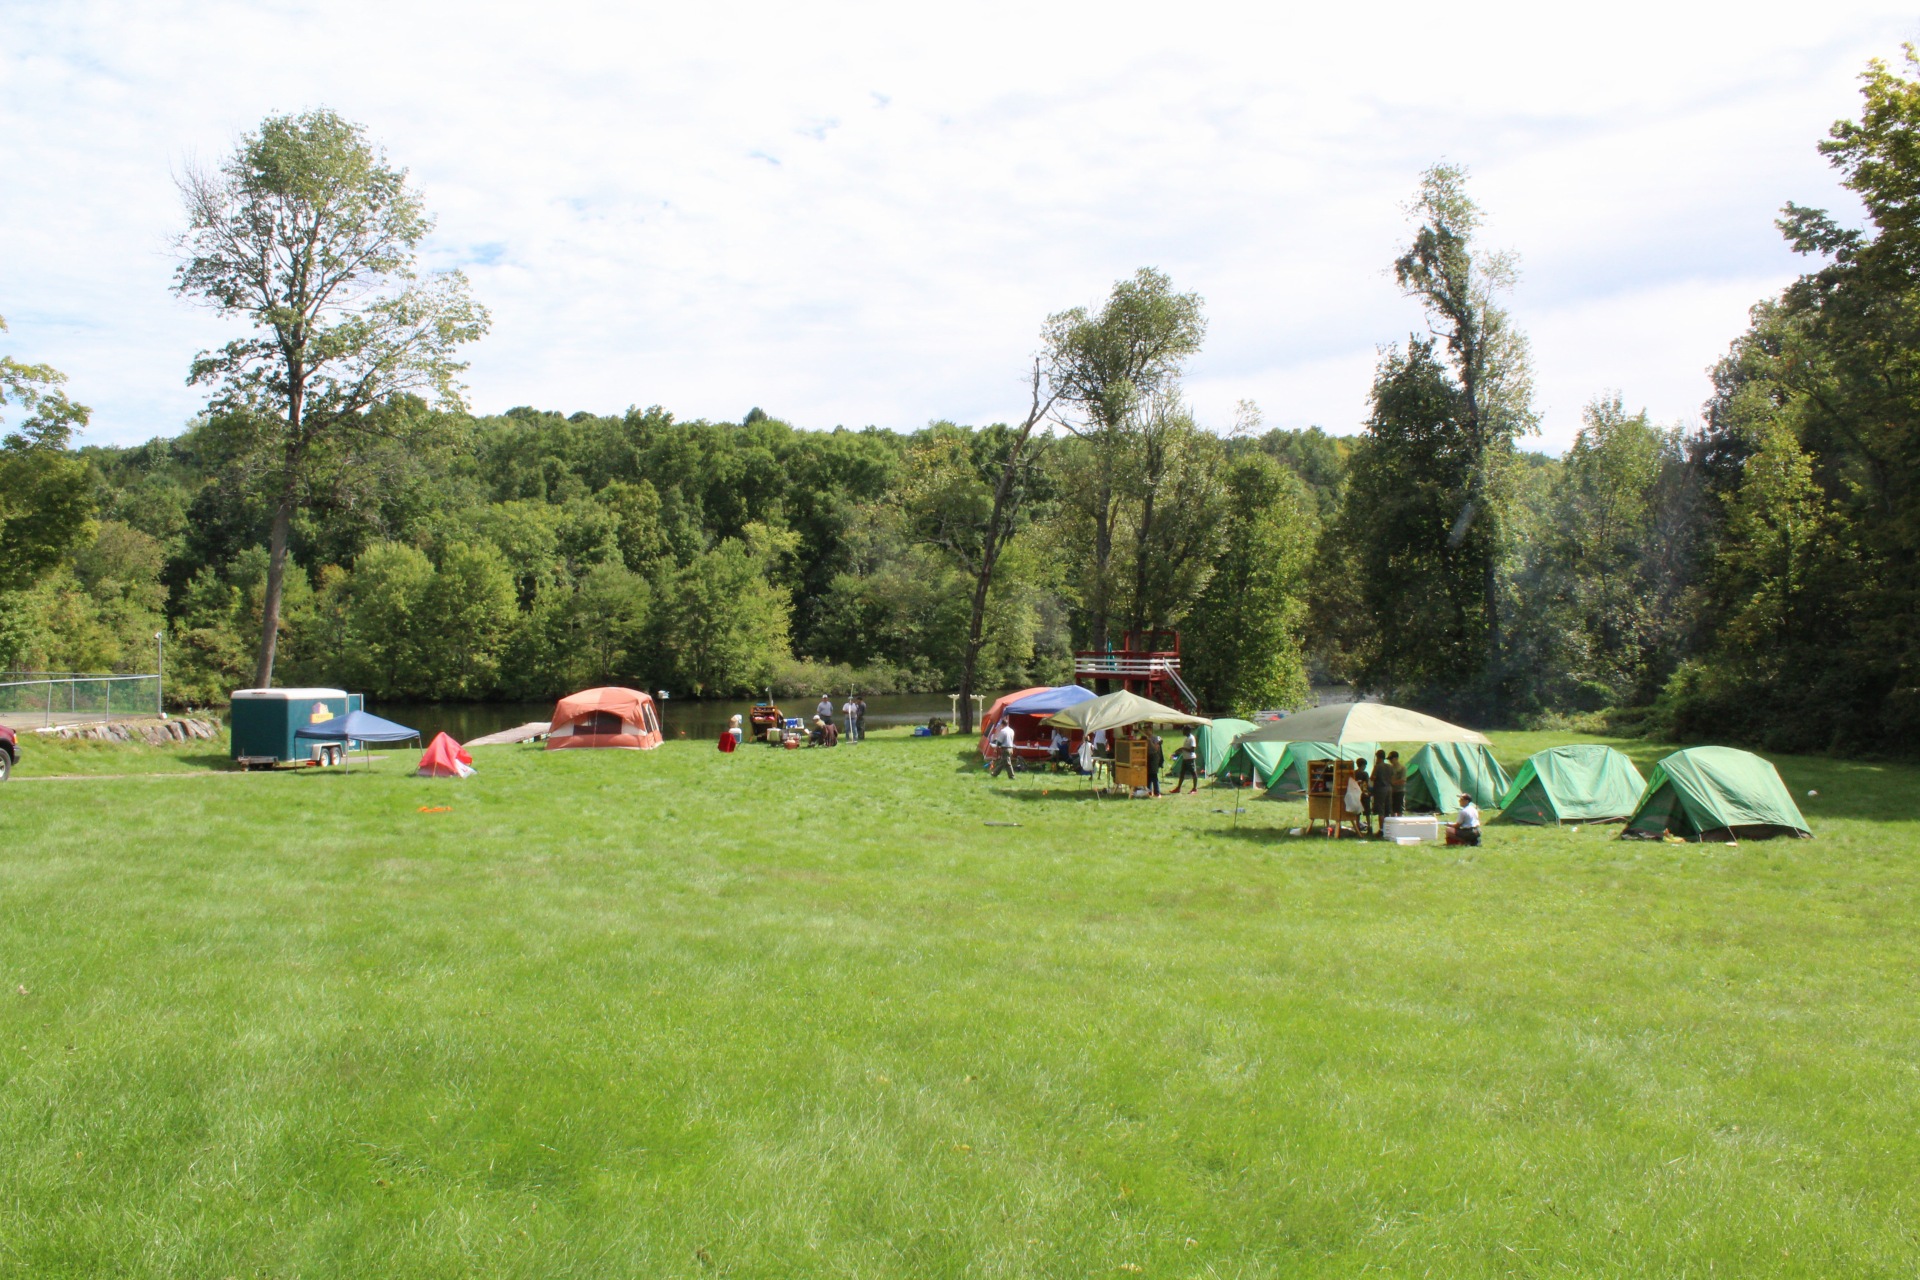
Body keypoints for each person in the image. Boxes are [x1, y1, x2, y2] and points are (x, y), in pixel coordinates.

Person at [1170, 729, 1200, 793]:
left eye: (1184, 731)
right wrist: (1179, 751)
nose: (1183, 732)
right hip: (1185, 758)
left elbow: (1192, 750)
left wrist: (1183, 748)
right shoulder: (1187, 738)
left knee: (1193, 773)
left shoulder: (1191, 738)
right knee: (1182, 773)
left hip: (1190, 759)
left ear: (1188, 731)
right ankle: (1178, 788)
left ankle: (1194, 789)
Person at [1371, 749, 1393, 835]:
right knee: (1388, 810)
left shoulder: (1377, 766)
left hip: (1380, 789)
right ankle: (1388, 829)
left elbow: (1372, 777)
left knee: (1380, 810)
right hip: (1389, 788)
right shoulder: (1389, 766)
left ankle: (1381, 830)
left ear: (1378, 757)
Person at [1353, 756, 1373, 835]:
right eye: (1365, 765)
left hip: (1356, 795)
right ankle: (1369, 827)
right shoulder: (1365, 774)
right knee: (1367, 812)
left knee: (1358, 813)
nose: (1365, 767)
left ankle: (1357, 827)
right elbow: (1367, 784)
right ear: (1362, 765)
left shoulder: (1354, 773)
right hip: (1365, 795)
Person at [1145, 730, 1164, 798]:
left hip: (1155, 757)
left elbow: (1156, 748)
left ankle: (1157, 792)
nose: (1146, 731)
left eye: (1147, 729)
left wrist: (1149, 741)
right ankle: (1149, 791)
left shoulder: (1155, 738)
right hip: (1148, 757)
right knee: (1148, 775)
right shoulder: (1145, 737)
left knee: (1154, 775)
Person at [1389, 750, 1407, 817]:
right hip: (1392, 791)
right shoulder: (1390, 768)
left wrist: (1393, 783)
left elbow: (1403, 780)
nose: (1390, 761)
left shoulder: (1402, 768)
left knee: (1399, 809)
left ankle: (1400, 823)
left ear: (1396, 758)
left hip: (1400, 791)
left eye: (1391, 759)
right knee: (1392, 809)